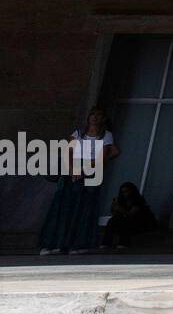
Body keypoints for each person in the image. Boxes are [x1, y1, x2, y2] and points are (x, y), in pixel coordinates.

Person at [39, 107, 120, 255]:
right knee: (64, 207)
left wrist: (83, 169)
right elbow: (67, 152)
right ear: (88, 118)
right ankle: (56, 243)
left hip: (89, 173)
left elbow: (103, 157)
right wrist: (72, 168)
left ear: (103, 119)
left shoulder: (106, 136)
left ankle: (76, 244)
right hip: (73, 172)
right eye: (92, 115)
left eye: (98, 115)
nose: (94, 118)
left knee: (83, 207)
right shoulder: (78, 134)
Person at [101, 182, 157, 249]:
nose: (125, 194)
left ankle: (123, 243)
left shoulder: (137, 201)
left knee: (125, 221)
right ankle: (106, 243)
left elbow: (130, 214)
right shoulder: (122, 201)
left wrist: (119, 208)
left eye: (126, 191)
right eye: (123, 192)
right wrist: (115, 208)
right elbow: (117, 215)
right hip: (129, 224)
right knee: (112, 220)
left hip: (141, 224)